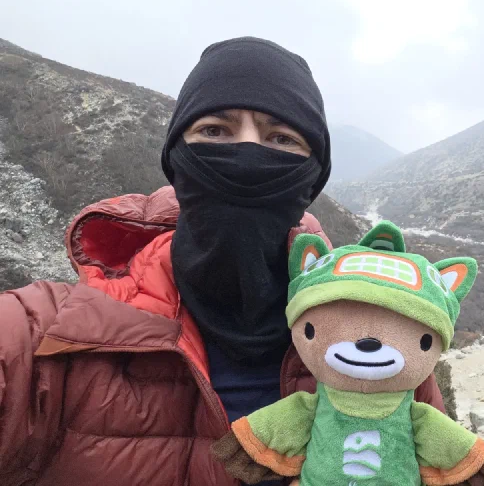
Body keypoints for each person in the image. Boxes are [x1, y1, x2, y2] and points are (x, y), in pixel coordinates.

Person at [0, 37, 444, 486]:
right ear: (176, 160)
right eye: (215, 131)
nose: (248, 155)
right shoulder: (43, 334)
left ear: (313, 178)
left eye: (281, 138)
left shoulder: (387, 330)